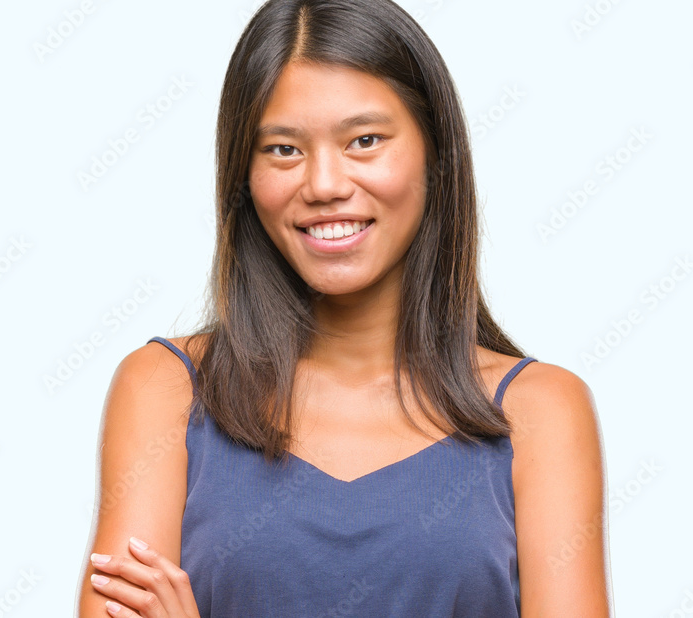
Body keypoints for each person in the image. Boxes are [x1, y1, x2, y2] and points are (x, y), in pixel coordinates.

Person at [76, 0, 612, 615]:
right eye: (282, 149)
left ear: (435, 155)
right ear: (242, 175)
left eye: (364, 140)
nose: (325, 184)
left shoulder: (541, 411)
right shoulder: (166, 390)